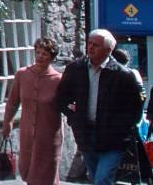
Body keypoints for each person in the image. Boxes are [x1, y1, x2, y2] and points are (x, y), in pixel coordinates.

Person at [58, 28, 146, 185]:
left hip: (113, 138)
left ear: (108, 50)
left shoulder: (122, 75)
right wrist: (73, 118)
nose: (90, 47)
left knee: (102, 180)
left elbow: (135, 108)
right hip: (86, 134)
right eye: (89, 43)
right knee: (96, 178)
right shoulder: (76, 69)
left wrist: (122, 129)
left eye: (96, 45)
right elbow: (61, 97)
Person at [2, 37, 63, 184]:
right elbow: (12, 103)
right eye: (38, 52)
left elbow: (68, 105)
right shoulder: (22, 75)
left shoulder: (59, 79)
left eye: (45, 54)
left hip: (49, 135)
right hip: (27, 133)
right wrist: (7, 122)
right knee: (27, 171)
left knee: (44, 175)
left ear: (52, 57)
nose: (40, 56)